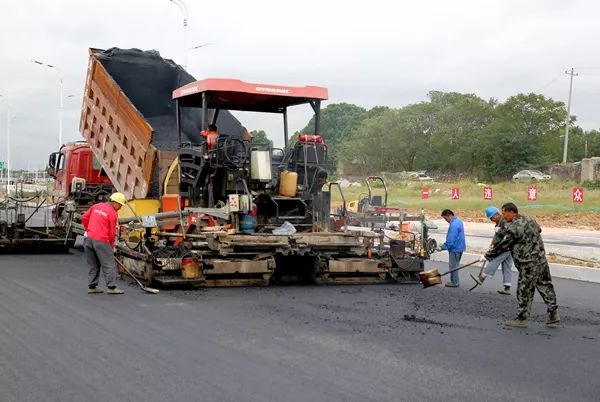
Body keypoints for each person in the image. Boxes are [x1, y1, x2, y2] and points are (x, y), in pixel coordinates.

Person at [484, 202, 559, 328]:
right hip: (540, 260)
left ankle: (521, 318)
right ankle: (553, 313)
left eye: (504, 213)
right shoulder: (530, 219)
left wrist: (487, 256)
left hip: (527, 263)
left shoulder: (514, 227)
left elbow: (503, 245)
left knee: (524, 290)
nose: (503, 216)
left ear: (512, 212)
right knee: (545, 285)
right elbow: (539, 230)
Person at [81, 192, 127, 295]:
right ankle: (111, 287)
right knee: (109, 263)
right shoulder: (112, 213)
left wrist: (88, 229)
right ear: (115, 202)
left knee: (93, 264)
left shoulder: (96, 206)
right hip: (101, 240)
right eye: (120, 205)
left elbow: (84, 218)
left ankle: (92, 286)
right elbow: (111, 232)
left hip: (88, 238)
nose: (120, 207)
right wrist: (111, 246)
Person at [470, 206, 513, 295]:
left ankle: (481, 278)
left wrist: (488, 255)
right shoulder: (498, 223)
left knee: (494, 261)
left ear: (496, 214)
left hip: (505, 248)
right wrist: (491, 245)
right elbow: (496, 237)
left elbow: (505, 236)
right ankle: (507, 287)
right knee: (507, 266)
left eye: (491, 217)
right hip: (508, 248)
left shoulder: (504, 221)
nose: (491, 219)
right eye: (490, 218)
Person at [438, 209, 466, 287]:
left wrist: (443, 247)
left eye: (445, 218)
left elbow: (451, 239)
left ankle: (454, 282)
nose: (446, 220)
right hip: (460, 246)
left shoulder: (454, 225)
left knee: (453, 266)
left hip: (455, 248)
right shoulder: (458, 220)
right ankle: (455, 281)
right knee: (455, 265)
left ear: (449, 216)